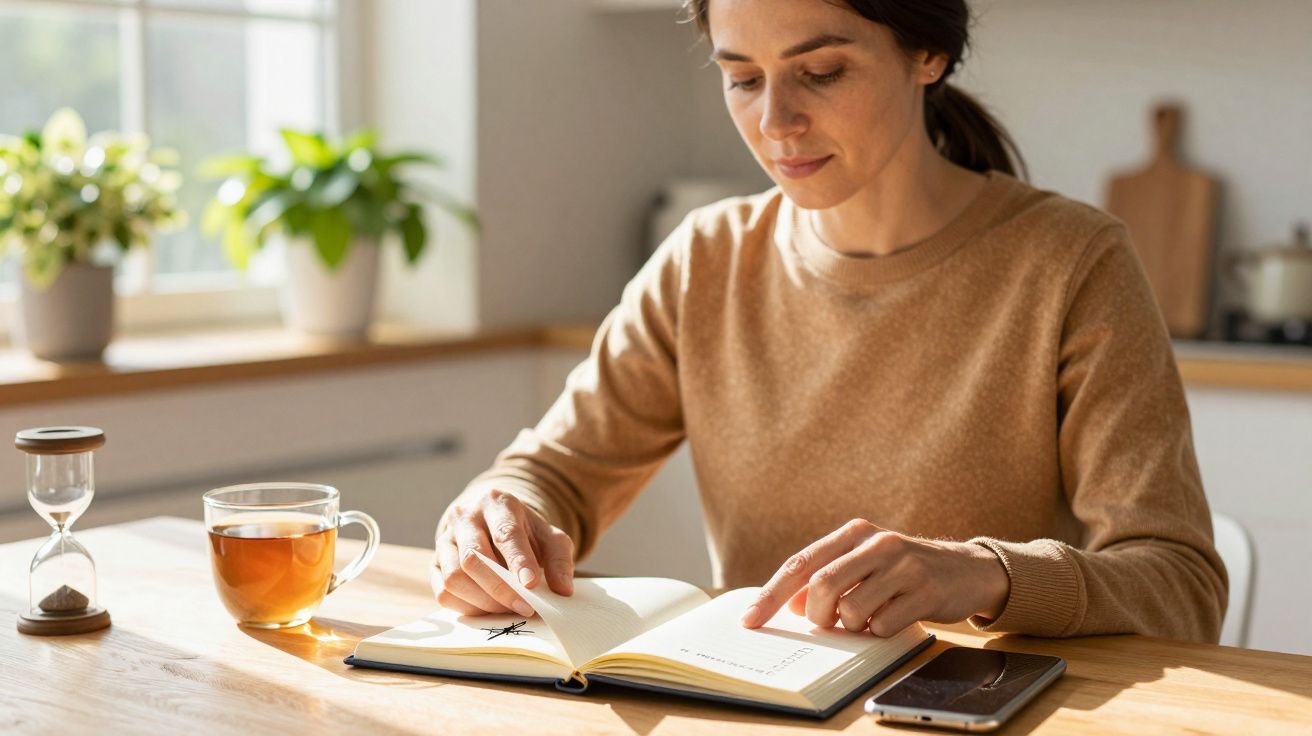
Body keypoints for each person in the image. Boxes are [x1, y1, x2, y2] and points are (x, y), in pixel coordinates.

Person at [432, 0, 1228, 643]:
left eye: (821, 71)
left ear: (928, 55)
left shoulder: (1072, 261)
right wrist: (498, 513)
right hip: (763, 707)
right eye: (742, 78)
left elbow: (1180, 585)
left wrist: (985, 574)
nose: (777, 121)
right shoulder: (707, 258)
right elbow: (552, 473)